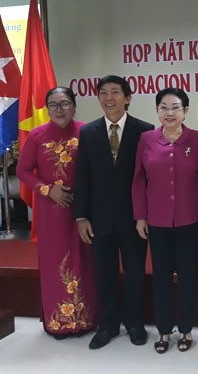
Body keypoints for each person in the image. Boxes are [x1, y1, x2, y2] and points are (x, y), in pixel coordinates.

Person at [74, 75, 154, 350]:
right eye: (103, 93)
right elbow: (82, 177)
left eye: (115, 93)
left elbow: (147, 178)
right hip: (100, 219)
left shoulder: (145, 130)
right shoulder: (88, 132)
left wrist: (146, 214)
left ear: (128, 98)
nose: (109, 98)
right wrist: (81, 216)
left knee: (134, 273)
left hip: (134, 219)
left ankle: (134, 322)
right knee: (104, 273)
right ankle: (107, 324)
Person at [132, 88, 198, 354]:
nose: (169, 113)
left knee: (188, 276)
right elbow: (138, 180)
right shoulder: (146, 139)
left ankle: (187, 329)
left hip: (189, 221)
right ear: (157, 111)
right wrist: (140, 216)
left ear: (186, 111)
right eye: (164, 107)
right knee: (161, 278)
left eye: (175, 107)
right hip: (157, 221)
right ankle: (164, 331)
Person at [17, 86, 98, 339]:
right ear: (46, 108)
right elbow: (23, 171)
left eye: (65, 104)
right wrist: (46, 190)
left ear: (74, 106)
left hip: (84, 209)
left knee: (86, 260)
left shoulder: (87, 132)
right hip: (52, 211)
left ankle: (88, 319)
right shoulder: (37, 136)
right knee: (56, 263)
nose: (59, 109)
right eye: (53, 105)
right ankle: (60, 322)